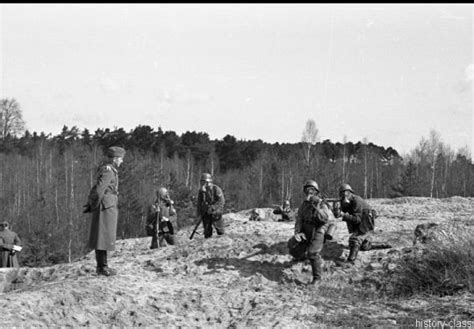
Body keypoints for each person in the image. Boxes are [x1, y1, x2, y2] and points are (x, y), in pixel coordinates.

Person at [84, 146, 125, 276]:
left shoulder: (111, 170)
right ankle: (102, 267)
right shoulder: (108, 171)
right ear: (115, 159)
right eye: (121, 159)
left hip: (108, 205)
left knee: (104, 237)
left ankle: (103, 266)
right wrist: (94, 204)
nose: (122, 161)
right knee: (102, 237)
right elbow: (99, 190)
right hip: (105, 206)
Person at [291, 180, 331, 285]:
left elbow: (324, 219)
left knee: (313, 253)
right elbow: (299, 219)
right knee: (292, 245)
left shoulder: (321, 203)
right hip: (306, 230)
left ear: (316, 192)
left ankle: (317, 278)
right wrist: (298, 232)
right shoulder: (303, 205)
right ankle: (302, 258)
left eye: (312, 190)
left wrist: (316, 207)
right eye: (307, 190)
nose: (309, 192)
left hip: (318, 230)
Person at [337, 183, 375, 265]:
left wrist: (344, 215)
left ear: (351, 193)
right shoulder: (345, 203)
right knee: (364, 247)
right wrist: (336, 210)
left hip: (365, 222)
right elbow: (338, 215)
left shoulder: (356, 201)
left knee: (354, 240)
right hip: (360, 223)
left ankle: (351, 260)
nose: (344, 195)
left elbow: (357, 219)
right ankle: (366, 242)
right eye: (342, 193)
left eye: (346, 193)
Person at [196, 173, 225, 238]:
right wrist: (199, 215)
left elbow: (221, 201)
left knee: (220, 230)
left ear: (208, 182)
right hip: (206, 212)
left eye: (204, 182)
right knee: (207, 232)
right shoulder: (201, 191)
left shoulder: (216, 189)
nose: (203, 184)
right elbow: (199, 204)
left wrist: (212, 208)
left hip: (216, 211)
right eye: (202, 182)